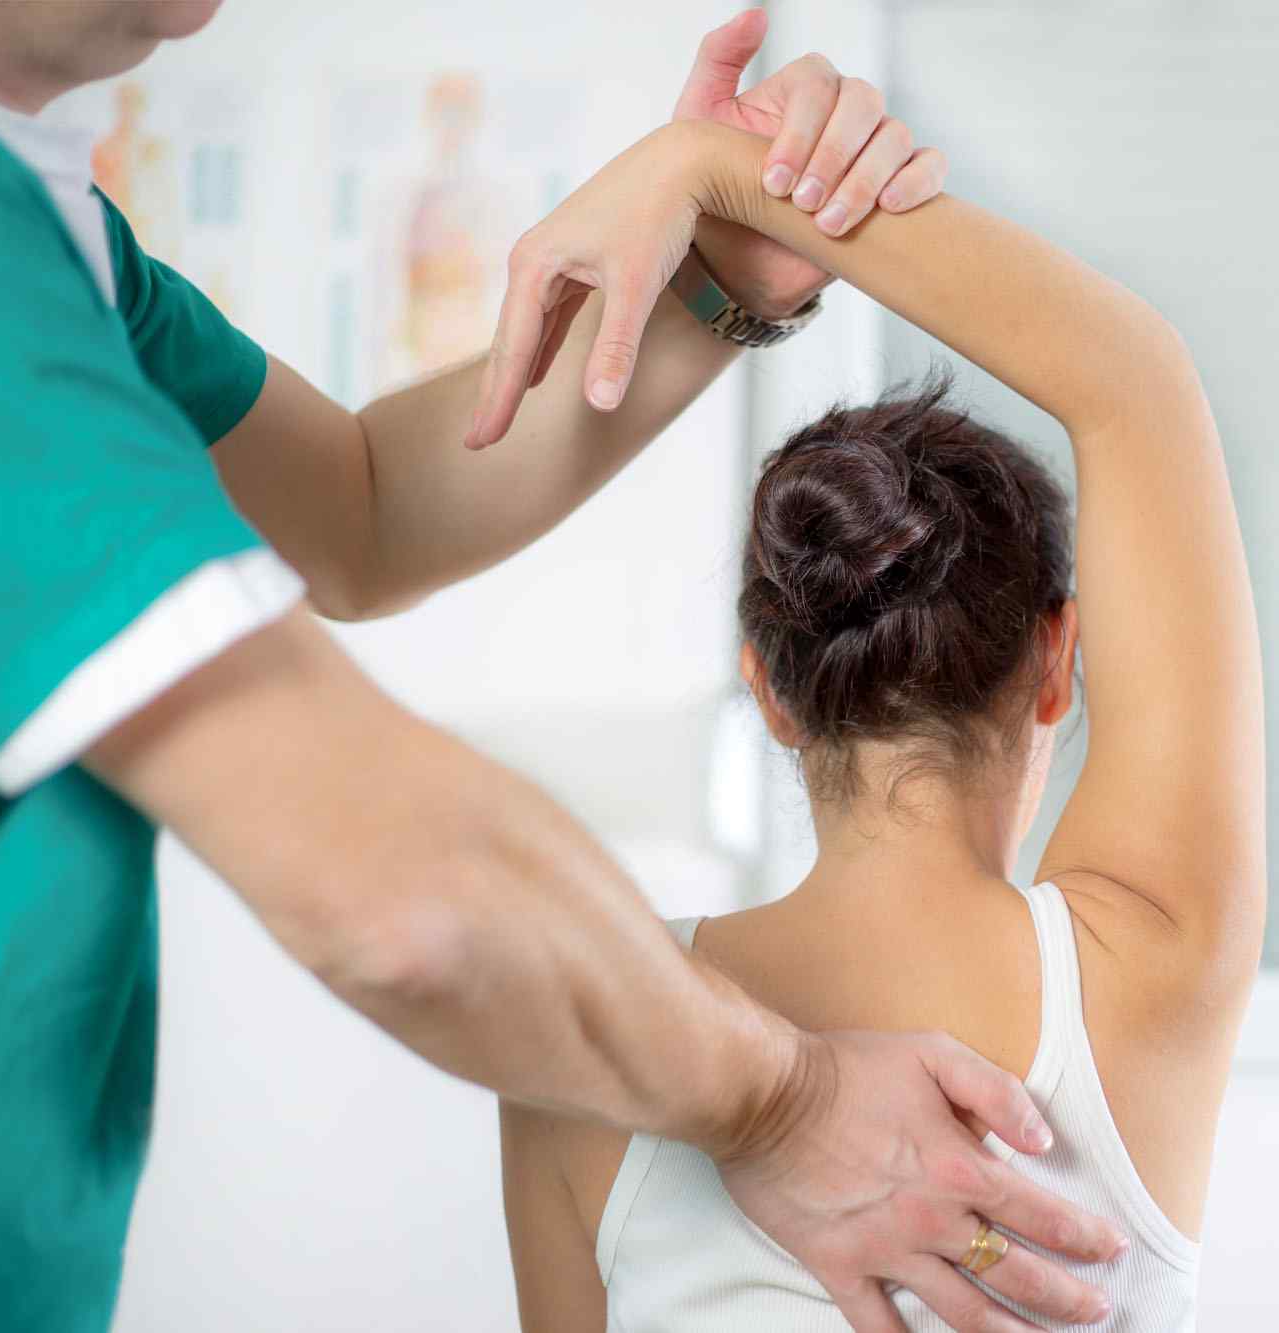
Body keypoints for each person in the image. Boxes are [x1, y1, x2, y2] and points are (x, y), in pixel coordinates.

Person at [0, 4, 1127, 1330]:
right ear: (1056, 655)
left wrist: (719, 267)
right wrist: (784, 1103)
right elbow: (399, 896)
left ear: (767, 681)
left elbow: (361, 507)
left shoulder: (56, 243)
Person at [497, 103, 1265, 1332]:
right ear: (1056, 659)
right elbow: (1135, 379)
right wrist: (719, 171)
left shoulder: (588, 1051)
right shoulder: (1148, 962)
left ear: (769, 690)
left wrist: (722, 175)